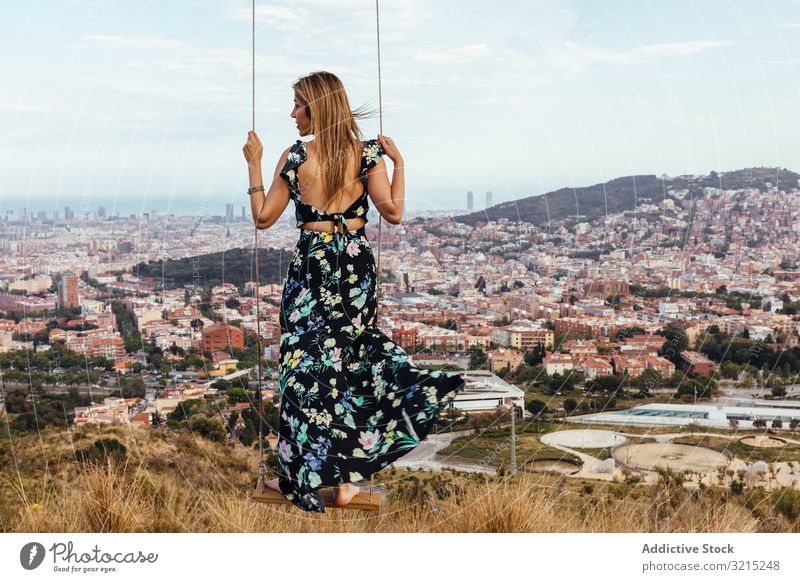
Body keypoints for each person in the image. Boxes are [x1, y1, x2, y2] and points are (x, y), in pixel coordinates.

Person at [242, 71, 466, 512]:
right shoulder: (367, 157)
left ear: (317, 107)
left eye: (297, 105)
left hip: (312, 267)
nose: (292, 114)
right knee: (349, 365)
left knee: (302, 372)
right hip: (354, 267)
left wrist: (253, 162)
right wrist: (400, 164)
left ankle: (293, 479)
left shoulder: (293, 157)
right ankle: (344, 484)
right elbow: (393, 214)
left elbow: (263, 218)